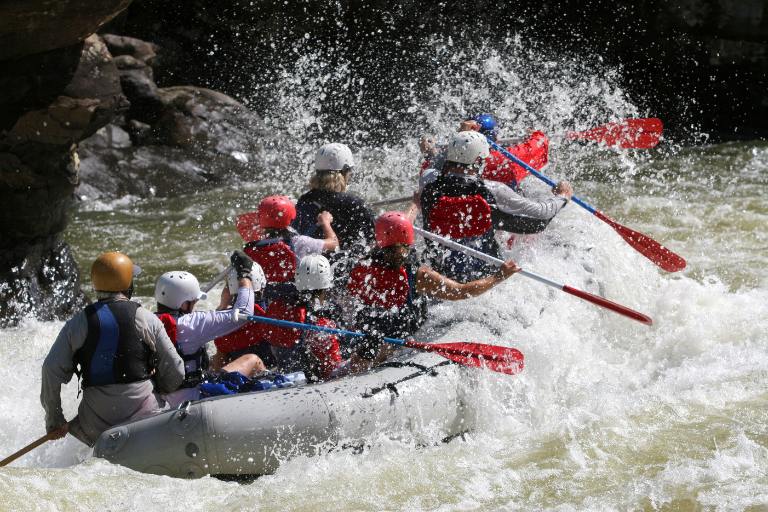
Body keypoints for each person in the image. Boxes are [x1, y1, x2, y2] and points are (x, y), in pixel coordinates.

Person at [41, 252, 185, 447]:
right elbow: (176, 370)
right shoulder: (146, 318)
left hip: (94, 425)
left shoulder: (78, 323)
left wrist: (55, 420)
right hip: (145, 417)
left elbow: (51, 368)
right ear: (128, 284)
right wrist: (161, 387)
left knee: (83, 428)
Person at [346, 212, 521, 371]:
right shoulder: (419, 275)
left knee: (373, 338)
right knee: (388, 334)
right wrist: (499, 276)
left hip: (364, 336)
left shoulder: (362, 265)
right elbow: (462, 291)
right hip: (398, 339)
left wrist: (414, 207)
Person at [418, 130, 573, 281]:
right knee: (536, 224)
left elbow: (435, 163)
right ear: (478, 161)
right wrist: (562, 197)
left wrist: (431, 150)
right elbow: (543, 212)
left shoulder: (427, 180)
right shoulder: (493, 189)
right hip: (486, 274)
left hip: (440, 272)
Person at [154, 250, 265, 408]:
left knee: (214, 362)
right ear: (184, 304)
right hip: (194, 399)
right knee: (253, 359)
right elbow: (244, 313)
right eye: (192, 302)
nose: (194, 305)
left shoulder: (146, 320)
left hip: (163, 401)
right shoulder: (193, 323)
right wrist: (244, 275)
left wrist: (221, 306)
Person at [419, 113, 549, 192]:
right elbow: (539, 146)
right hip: (505, 214)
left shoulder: (452, 160)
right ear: (495, 137)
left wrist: (430, 153)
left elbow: (427, 174)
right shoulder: (505, 160)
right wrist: (535, 135)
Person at [293, 143, 375, 261]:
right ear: (344, 172)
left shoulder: (304, 200)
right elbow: (376, 240)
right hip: (344, 268)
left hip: (309, 266)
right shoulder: (355, 203)